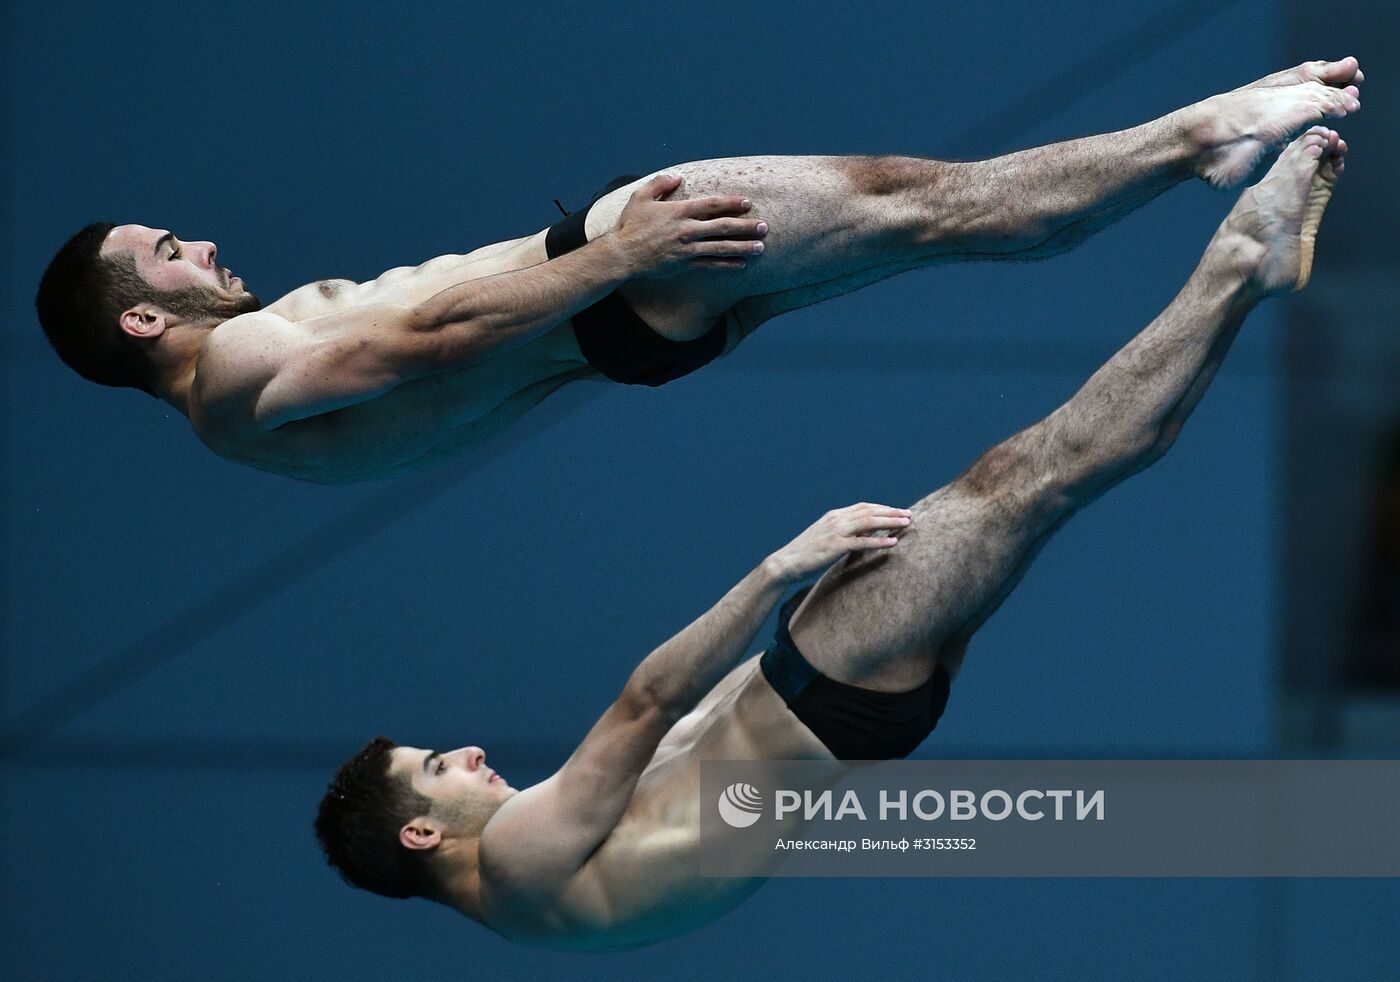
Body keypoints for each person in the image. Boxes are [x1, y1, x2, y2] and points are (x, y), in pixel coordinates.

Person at [313, 128, 1345, 949]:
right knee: (1031, 474)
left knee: (1037, 481)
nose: (471, 751)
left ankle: (1239, 274)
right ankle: (1238, 264)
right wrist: (779, 568)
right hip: (820, 689)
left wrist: (790, 633)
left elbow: (686, 756)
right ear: (420, 832)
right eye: (440, 765)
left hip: (828, 707)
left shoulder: (533, 908)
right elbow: (648, 702)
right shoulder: (518, 861)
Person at [36, 61, 1360, 484]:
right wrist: (622, 248)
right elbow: (419, 348)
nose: (202, 244)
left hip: (625, 332)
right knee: (926, 200)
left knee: (936, 223)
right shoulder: (236, 369)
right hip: (614, 277)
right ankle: (1200, 137)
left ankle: (1203, 179)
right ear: (143, 317)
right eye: (168, 254)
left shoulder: (236, 424)